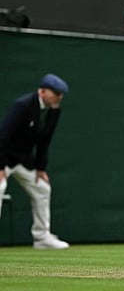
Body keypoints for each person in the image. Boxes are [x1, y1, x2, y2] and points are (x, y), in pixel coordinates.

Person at [0, 74, 70, 250]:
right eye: (56, 93)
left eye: (61, 94)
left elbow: (44, 141)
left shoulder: (52, 110)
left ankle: (42, 237)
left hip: (22, 161)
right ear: (43, 91)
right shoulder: (22, 105)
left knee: (42, 188)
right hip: (4, 158)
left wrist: (40, 168)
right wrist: (0, 166)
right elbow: (2, 136)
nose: (59, 97)